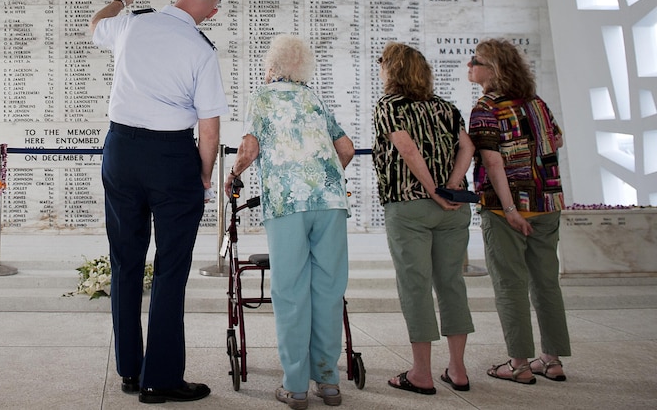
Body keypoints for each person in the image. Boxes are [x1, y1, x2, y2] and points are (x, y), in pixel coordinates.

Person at [90, 0, 229, 404]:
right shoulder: (202, 50)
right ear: (213, 13)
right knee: (171, 268)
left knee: (126, 260)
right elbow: (209, 130)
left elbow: (94, 26)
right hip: (172, 159)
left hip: (122, 150)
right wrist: (204, 175)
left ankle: (130, 370)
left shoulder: (133, 22)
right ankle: (161, 378)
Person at [223, 35, 354, 410]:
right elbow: (345, 149)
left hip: (286, 204)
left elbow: (249, 149)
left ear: (272, 67)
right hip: (329, 203)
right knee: (328, 291)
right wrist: (324, 180)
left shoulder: (263, 96)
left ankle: (296, 386)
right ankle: (328, 382)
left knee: (291, 290)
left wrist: (233, 175)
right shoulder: (314, 97)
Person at [372, 42, 476, 396]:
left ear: (393, 69)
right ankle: (458, 370)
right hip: (454, 209)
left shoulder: (389, 106)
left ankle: (421, 373)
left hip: (408, 206)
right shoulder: (445, 107)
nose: (380, 68)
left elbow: (406, 148)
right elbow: (468, 147)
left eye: (383, 63)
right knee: (451, 283)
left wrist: (432, 189)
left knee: (415, 285)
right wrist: (452, 185)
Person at [467, 38, 570, 384]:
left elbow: (492, 161)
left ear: (492, 69)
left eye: (475, 60)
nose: (470, 65)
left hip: (505, 210)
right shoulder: (536, 103)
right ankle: (552, 360)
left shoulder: (487, 107)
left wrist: (510, 207)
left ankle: (519, 364)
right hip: (547, 203)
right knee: (546, 283)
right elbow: (557, 139)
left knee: (510, 284)